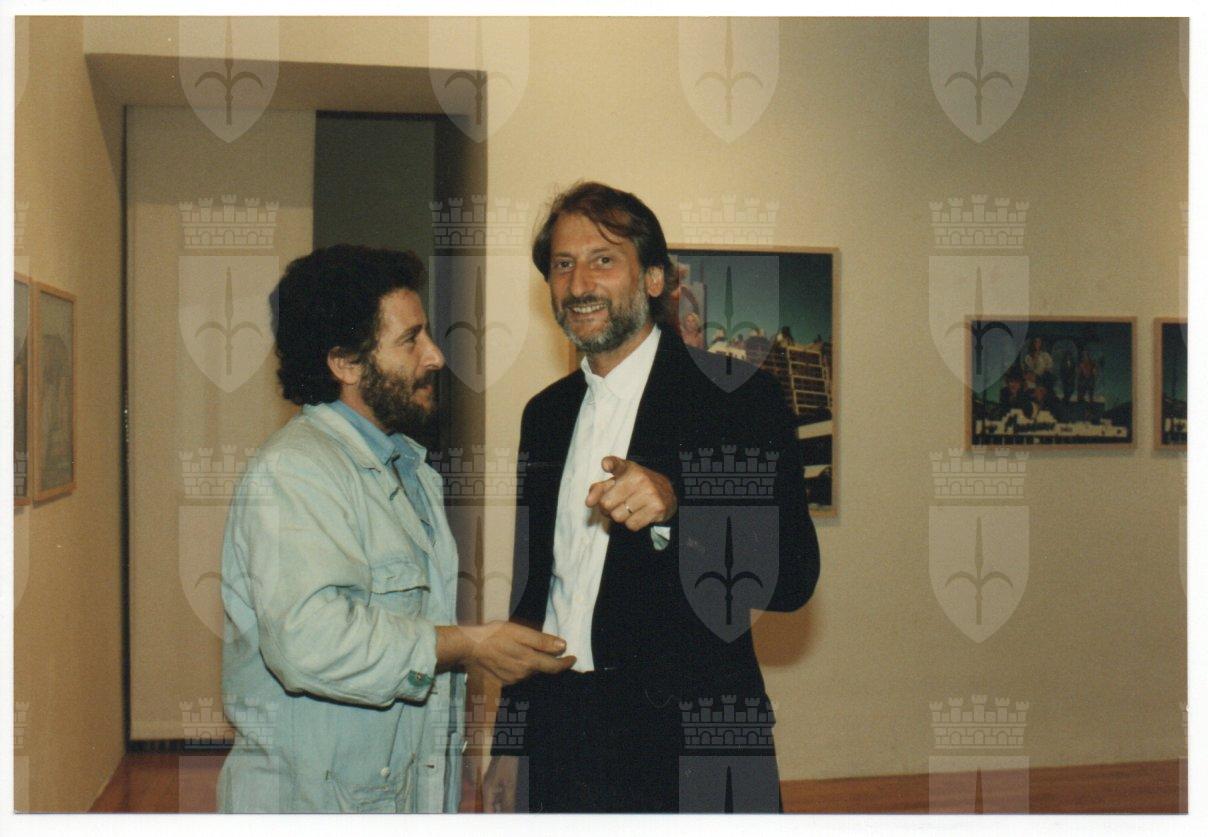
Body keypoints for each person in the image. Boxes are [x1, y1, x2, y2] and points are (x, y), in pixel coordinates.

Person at [483, 182, 821, 813]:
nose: (579, 283)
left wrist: (680, 510)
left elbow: (794, 578)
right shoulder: (545, 416)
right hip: (560, 743)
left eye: (603, 260)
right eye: (563, 264)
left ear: (656, 278)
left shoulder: (738, 399)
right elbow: (534, 594)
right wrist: (511, 741)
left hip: (691, 749)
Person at [217, 245, 573, 813]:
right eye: (410, 339)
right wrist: (469, 643)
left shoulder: (409, 469)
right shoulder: (295, 472)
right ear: (346, 363)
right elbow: (309, 642)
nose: (435, 355)